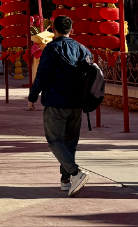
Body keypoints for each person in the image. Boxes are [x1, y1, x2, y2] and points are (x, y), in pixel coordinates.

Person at [27, 15, 93, 197]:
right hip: (77, 103)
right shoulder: (83, 50)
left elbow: (42, 75)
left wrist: (32, 96)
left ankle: (76, 173)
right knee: (70, 142)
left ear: (53, 30)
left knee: (55, 140)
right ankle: (66, 180)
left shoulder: (51, 49)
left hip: (56, 102)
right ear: (71, 29)